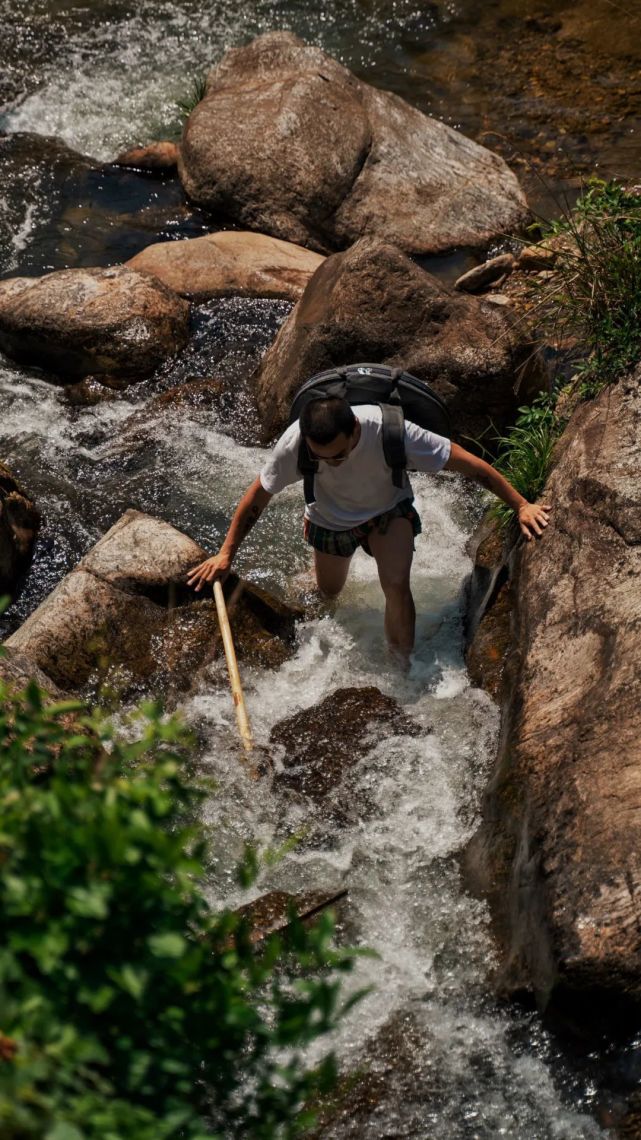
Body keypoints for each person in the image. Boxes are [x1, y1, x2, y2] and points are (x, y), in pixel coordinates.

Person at [186, 397, 550, 664]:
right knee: (329, 592)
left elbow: (471, 467)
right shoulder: (296, 445)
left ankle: (402, 666)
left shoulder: (392, 432)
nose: (332, 463)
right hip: (329, 520)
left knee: (396, 585)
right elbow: (257, 497)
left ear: (356, 429)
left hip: (387, 514)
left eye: (340, 455)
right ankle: (311, 578)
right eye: (322, 458)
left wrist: (521, 505)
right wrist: (226, 553)